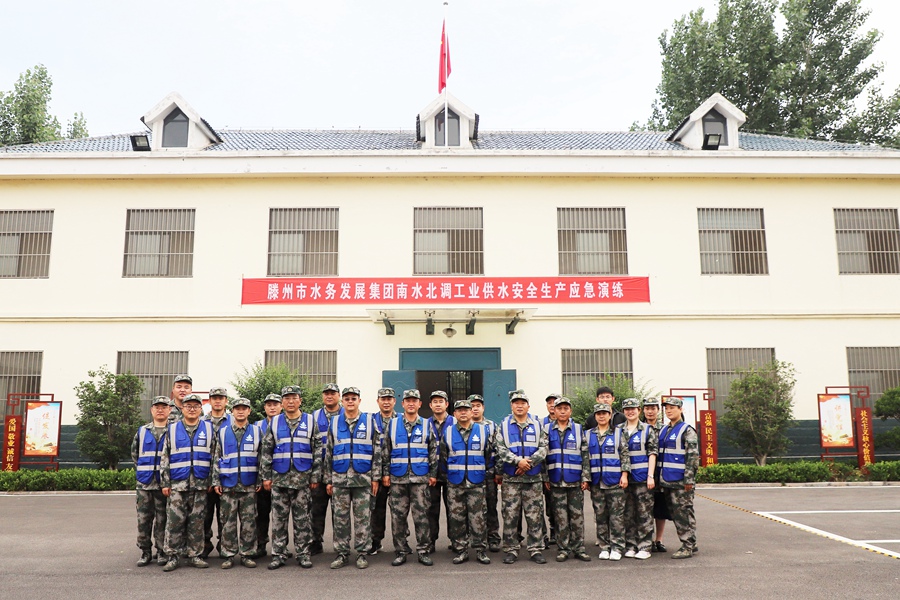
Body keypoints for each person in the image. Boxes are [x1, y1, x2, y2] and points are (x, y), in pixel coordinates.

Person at [260, 385, 320, 570]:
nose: (291, 401)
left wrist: (315, 476)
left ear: (300, 400)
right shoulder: (275, 422)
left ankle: (303, 554)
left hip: (302, 479)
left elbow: (318, 450)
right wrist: (266, 476)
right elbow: (266, 450)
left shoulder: (310, 421)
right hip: (279, 479)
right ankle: (279, 554)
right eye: (287, 398)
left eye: (294, 398)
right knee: (279, 519)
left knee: (302, 519)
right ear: (282, 402)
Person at [324, 387, 381, 569]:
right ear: (342, 401)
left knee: (362, 519)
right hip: (340, 479)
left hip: (363, 479)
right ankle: (342, 553)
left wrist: (376, 478)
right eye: (347, 398)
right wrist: (328, 480)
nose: (350, 401)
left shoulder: (370, 422)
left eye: (353, 398)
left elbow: (377, 452)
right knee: (340, 519)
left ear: (359, 401)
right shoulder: (334, 423)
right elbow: (328, 453)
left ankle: (362, 553)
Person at [381, 389, 438, 566]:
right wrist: (385, 473)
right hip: (398, 479)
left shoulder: (427, 424)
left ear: (420, 404)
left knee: (421, 516)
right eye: (408, 401)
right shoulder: (392, 424)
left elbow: (433, 451)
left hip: (420, 479)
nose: (411, 403)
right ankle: (401, 551)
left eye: (414, 400)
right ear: (403, 404)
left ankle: (423, 550)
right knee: (398, 517)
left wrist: (433, 474)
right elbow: (385, 451)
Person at [160, 393, 216, 572]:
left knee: (197, 522)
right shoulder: (172, 429)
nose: (192, 409)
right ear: (182, 409)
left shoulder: (209, 429)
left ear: (201, 409)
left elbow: (214, 457)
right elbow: (165, 457)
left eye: (196, 406)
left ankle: (195, 555)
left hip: (200, 484)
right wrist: (165, 483)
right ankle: (173, 556)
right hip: (178, 484)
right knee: (174, 522)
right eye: (188, 406)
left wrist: (212, 480)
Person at [495, 391, 548, 565]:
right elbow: (500, 448)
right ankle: (511, 549)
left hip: (533, 479)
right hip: (511, 479)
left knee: (534, 515)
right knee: (510, 515)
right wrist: (518, 461)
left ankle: (535, 549)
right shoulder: (503, 426)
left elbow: (544, 447)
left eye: (522, 403)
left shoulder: (538, 425)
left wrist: (528, 464)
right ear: (511, 406)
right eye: (516, 403)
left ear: (528, 406)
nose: (519, 406)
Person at [212, 397, 261, 569]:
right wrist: (216, 480)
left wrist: (260, 479)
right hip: (228, 485)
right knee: (228, 522)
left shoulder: (256, 432)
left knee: (249, 522)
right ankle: (228, 554)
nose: (240, 411)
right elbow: (216, 458)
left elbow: (262, 457)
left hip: (249, 485)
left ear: (249, 411)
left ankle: (247, 554)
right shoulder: (223, 432)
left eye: (244, 408)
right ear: (232, 411)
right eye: (237, 408)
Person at [442, 398, 492, 565]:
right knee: (456, 518)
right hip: (455, 482)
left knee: (478, 517)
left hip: (476, 482)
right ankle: (461, 550)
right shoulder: (448, 432)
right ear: (454, 414)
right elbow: (443, 456)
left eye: (466, 409)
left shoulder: (483, 431)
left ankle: (480, 550)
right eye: (459, 410)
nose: (463, 412)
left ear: (471, 412)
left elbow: (489, 455)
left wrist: (482, 471)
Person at [543, 397, 591, 562]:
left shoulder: (578, 429)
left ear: (570, 411)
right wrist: (545, 477)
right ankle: (563, 548)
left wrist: (585, 477)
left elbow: (585, 454)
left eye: (565, 409)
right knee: (560, 517)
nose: (562, 411)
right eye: (559, 408)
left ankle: (579, 548)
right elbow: (543, 456)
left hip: (575, 480)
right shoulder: (547, 429)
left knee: (577, 517)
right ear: (554, 411)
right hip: (555, 480)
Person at [132, 395, 172, 567]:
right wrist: (143, 472)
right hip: (145, 484)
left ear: (170, 410)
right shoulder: (142, 431)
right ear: (152, 410)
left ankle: (161, 551)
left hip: (164, 485)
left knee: (163, 519)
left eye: (164, 407)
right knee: (143, 520)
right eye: (157, 407)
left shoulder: (173, 431)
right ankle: (145, 551)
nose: (160, 410)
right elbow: (135, 455)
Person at [587, 402, 630, 561]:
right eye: (598, 414)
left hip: (615, 481)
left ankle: (617, 547)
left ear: (610, 415)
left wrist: (624, 475)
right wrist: (586, 478)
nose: (601, 416)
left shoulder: (618, 433)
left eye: (604, 413)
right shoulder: (588, 434)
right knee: (600, 516)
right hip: (596, 482)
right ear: (595, 416)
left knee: (616, 516)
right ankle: (604, 546)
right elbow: (585, 459)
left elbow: (625, 456)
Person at [658, 396, 700, 559]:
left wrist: (689, 479)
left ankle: (687, 545)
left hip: (681, 481)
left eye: (672, 408)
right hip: (667, 480)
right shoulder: (664, 430)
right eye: (666, 408)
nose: (668, 410)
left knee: (683, 513)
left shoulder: (687, 430)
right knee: (677, 514)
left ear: (680, 409)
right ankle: (691, 542)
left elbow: (692, 457)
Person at [620, 397, 658, 560]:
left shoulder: (647, 429)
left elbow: (652, 453)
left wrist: (650, 475)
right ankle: (631, 545)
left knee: (644, 513)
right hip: (625, 479)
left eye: (633, 409)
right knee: (628, 513)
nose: (630, 412)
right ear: (623, 412)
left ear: (639, 410)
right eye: (627, 409)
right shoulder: (618, 430)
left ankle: (645, 546)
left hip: (642, 478)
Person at [310, 382, 342, 555]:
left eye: (333, 393)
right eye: (326, 393)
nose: (329, 396)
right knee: (316, 509)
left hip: (341, 471)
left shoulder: (347, 414)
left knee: (340, 512)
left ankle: (340, 545)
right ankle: (316, 541)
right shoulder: (314, 416)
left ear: (338, 396)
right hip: (320, 471)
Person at [252, 393, 283, 558]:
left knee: (281, 515)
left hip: (281, 476)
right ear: (264, 408)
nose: (272, 407)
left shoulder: (285, 424)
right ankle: (261, 544)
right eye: (269, 405)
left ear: (281, 406)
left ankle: (282, 547)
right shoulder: (256, 426)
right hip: (261, 478)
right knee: (261, 514)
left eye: (275, 404)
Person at [202, 386, 231, 559]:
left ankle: (224, 546)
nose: (218, 401)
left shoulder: (234, 421)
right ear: (210, 401)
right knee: (204, 515)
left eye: (221, 398)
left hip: (227, 476)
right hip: (204, 476)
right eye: (215, 398)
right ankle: (204, 545)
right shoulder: (201, 422)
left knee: (225, 515)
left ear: (226, 401)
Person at [469, 394, 501, 552]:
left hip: (488, 474)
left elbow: (498, 450)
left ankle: (493, 537)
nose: (475, 408)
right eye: (472, 406)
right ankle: (472, 538)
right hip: (469, 475)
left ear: (483, 408)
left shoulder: (492, 426)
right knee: (470, 507)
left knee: (490, 506)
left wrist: (497, 471)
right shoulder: (462, 426)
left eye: (478, 406)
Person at [370, 387, 397, 555]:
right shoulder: (370, 421)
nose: (386, 402)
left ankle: (401, 543)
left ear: (394, 401)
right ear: (378, 401)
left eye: (389, 399)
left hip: (398, 473)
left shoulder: (401, 420)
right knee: (376, 510)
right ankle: (375, 541)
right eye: (383, 399)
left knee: (399, 510)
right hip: (376, 474)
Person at [641, 396, 670, 553]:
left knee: (660, 508)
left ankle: (658, 539)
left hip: (659, 474)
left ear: (658, 410)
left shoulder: (665, 429)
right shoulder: (638, 428)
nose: (650, 411)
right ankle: (644, 540)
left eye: (653, 408)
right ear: (643, 410)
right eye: (647, 408)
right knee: (642, 509)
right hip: (641, 474)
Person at [426, 390, 453, 552]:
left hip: (451, 473)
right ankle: (430, 541)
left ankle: (456, 540)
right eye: (434, 402)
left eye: (440, 401)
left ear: (446, 404)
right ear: (430, 405)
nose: (438, 404)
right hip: (432, 474)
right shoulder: (425, 424)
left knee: (454, 509)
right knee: (431, 509)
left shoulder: (455, 422)